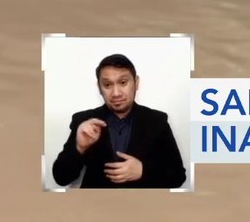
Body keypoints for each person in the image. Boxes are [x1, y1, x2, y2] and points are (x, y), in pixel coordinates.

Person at [50, 54, 187, 190]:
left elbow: (178, 176)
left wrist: (143, 171)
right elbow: (61, 178)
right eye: (107, 84)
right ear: (99, 87)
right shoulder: (84, 122)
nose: (116, 93)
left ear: (136, 82)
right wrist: (79, 148)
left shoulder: (157, 121)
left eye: (123, 82)